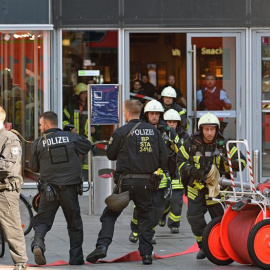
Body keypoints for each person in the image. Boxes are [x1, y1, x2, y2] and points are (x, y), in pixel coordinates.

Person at [86, 100, 168, 265]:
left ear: (127, 113)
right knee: (145, 216)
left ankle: (102, 246)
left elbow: (111, 155)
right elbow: (164, 158)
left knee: (109, 215)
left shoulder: (121, 131)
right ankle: (145, 254)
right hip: (147, 182)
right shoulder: (154, 132)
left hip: (126, 183)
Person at [177, 112, 246, 260]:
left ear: (217, 129)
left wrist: (232, 164)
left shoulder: (225, 144)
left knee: (221, 220)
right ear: (200, 129)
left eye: (212, 129)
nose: (209, 132)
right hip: (196, 188)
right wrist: (194, 171)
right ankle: (203, 246)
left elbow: (243, 162)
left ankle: (223, 246)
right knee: (194, 218)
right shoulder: (190, 144)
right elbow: (180, 163)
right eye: (206, 129)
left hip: (218, 190)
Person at [29, 111, 92, 265]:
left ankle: (38, 244)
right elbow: (87, 146)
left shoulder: (38, 142)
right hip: (69, 189)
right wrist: (74, 134)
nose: (39, 127)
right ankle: (76, 259)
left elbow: (33, 167)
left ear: (46, 125)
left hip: (49, 189)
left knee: (42, 221)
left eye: (40, 125)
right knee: (74, 223)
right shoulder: (70, 137)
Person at [129, 100, 172, 244]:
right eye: (151, 113)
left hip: (160, 176)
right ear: (146, 115)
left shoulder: (167, 131)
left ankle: (148, 232)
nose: (154, 116)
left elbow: (179, 150)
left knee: (158, 209)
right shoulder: (139, 128)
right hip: (144, 174)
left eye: (157, 114)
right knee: (140, 207)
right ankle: (135, 229)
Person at [0, 106, 28, 270]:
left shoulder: (10, 138)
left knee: (11, 226)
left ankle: (20, 262)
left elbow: (8, 166)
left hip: (5, 190)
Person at [159, 109, 189, 233]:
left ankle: (174, 224)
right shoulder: (159, 134)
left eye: (174, 122)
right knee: (164, 199)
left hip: (177, 171)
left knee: (177, 200)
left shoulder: (184, 136)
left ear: (178, 123)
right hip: (164, 171)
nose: (171, 124)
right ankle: (162, 215)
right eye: (169, 122)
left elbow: (185, 152)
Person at [63, 82, 99, 179]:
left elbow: (97, 120)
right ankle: (76, 180)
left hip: (88, 139)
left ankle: (87, 180)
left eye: (86, 93)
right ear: (78, 94)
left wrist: (95, 128)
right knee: (76, 162)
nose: (85, 95)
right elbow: (64, 120)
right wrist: (70, 128)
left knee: (87, 164)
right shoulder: (71, 107)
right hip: (74, 139)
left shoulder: (92, 106)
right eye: (83, 93)